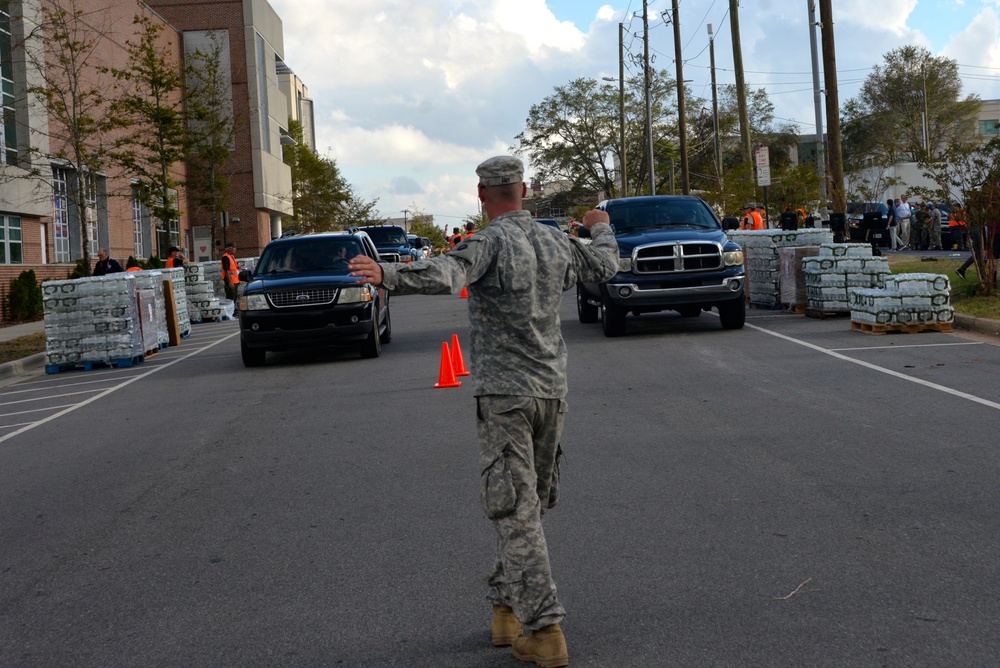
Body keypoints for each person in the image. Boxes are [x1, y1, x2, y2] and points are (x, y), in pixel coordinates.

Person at [348, 155, 618, 668]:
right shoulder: (556, 240)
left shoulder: (490, 242)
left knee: (516, 508)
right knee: (529, 505)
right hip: (551, 391)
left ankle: (544, 627)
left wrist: (385, 273)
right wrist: (601, 228)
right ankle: (505, 608)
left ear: (481, 195)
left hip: (505, 395)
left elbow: (446, 271)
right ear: (524, 189)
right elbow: (604, 266)